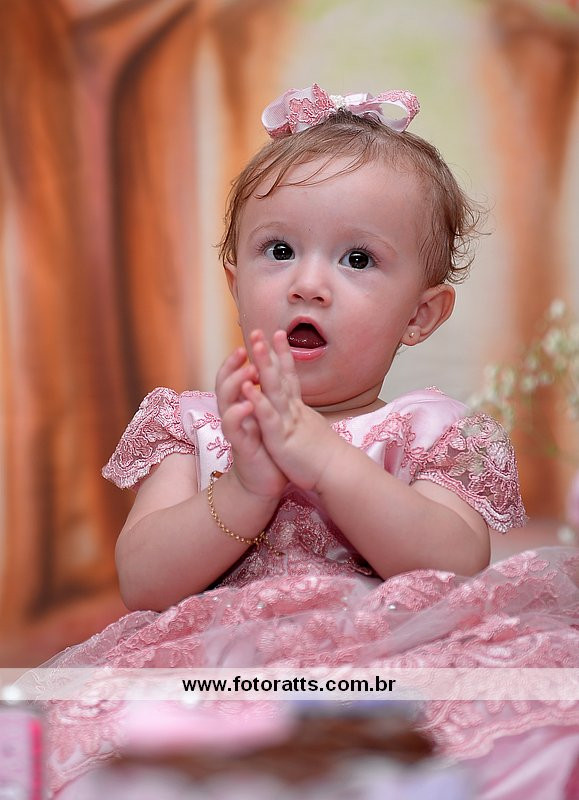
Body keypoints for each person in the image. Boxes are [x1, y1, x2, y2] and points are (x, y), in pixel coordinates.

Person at [40, 85, 578, 798]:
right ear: (235, 284)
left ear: (419, 315)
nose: (309, 284)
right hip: (219, 669)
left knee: (508, 722)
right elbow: (144, 581)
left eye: (357, 259)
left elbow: (454, 565)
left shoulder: (433, 429)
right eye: (279, 250)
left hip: (391, 662)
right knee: (126, 740)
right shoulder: (197, 423)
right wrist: (246, 485)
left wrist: (325, 460)